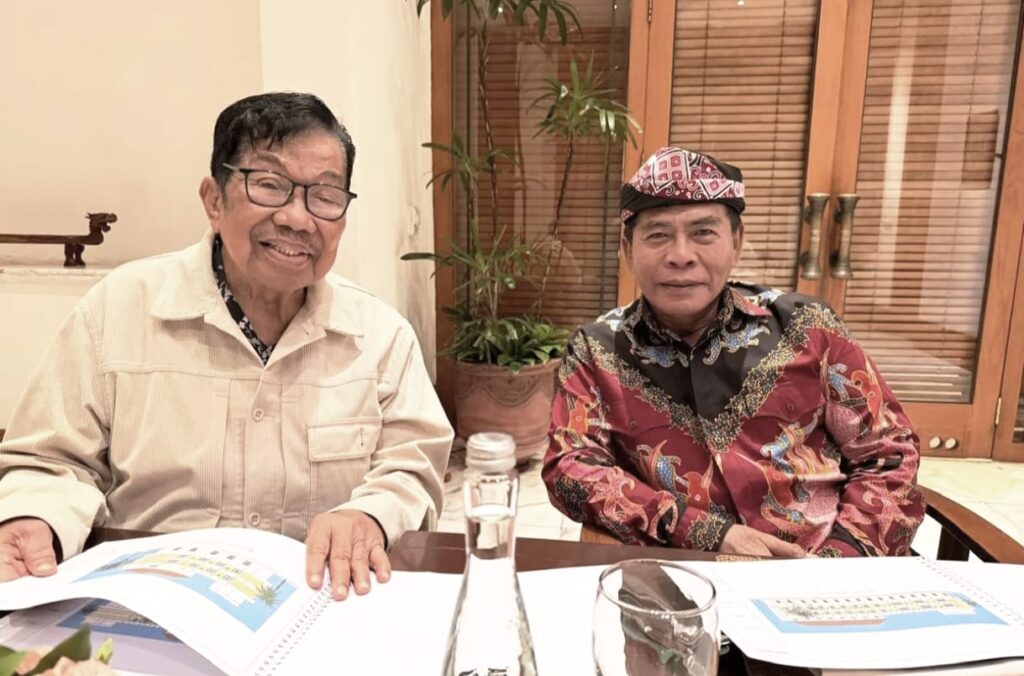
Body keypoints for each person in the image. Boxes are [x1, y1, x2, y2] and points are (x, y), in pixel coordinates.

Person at [0, 92, 454, 597]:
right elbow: (50, 460)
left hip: (318, 598)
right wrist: (34, 518)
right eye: (269, 185)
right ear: (214, 200)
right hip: (150, 598)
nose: (297, 219)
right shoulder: (119, 308)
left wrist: (370, 515)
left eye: (325, 196)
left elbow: (412, 466)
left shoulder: (380, 336)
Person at [543, 146, 924, 557]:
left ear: (736, 243)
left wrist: (835, 563)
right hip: (682, 571)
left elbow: (889, 452)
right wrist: (702, 531)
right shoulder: (597, 351)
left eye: (703, 233)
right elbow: (569, 467)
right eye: (658, 235)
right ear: (627, 249)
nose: (681, 256)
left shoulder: (808, 327)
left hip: (826, 567)